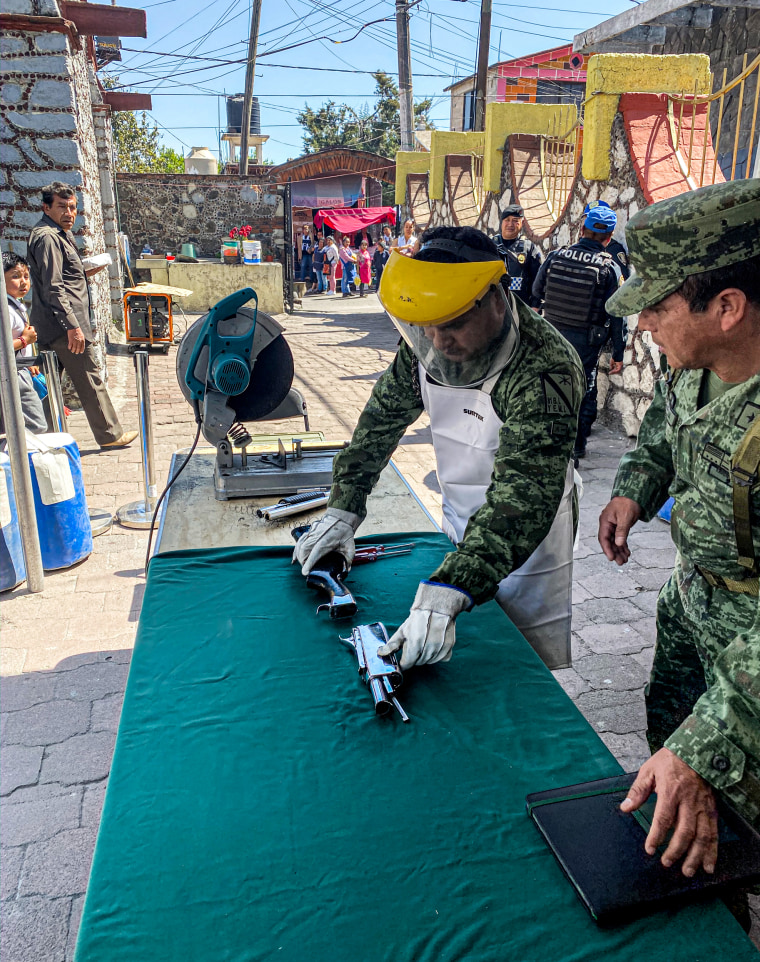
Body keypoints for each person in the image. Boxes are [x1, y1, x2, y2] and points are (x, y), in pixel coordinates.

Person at [294, 226, 584, 671]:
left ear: (495, 298)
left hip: (527, 534)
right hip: (458, 509)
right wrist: (344, 507)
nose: (440, 342)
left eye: (453, 324)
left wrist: (454, 585)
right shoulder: (426, 347)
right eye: (426, 329)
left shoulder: (546, 367)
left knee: (515, 666)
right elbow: (381, 420)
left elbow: (523, 496)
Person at [597, 179, 760, 896]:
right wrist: (634, 489)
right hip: (691, 617)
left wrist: (706, 741)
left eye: (658, 309)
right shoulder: (691, 365)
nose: (646, 329)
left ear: (726, 308)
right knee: (683, 810)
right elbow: (664, 434)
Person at [26, 182, 136, 449]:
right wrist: (72, 326)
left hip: (52, 324)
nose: (69, 213)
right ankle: (110, 436)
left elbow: (57, 277)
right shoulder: (49, 237)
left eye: (73, 207)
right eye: (62, 207)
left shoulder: (56, 234)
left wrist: (83, 273)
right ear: (46, 207)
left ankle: (45, 438)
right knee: (90, 379)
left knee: (49, 386)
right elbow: (54, 287)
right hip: (63, 326)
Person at [532, 202, 624, 462]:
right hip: (586, 342)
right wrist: (618, 352)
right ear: (609, 237)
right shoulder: (609, 267)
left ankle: (547, 440)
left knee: (549, 385)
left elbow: (537, 295)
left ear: (582, 229)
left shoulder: (555, 256)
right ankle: (576, 446)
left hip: (552, 335)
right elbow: (617, 315)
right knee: (583, 390)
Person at [2, 252, 47, 435]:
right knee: (36, 425)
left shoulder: (15, 305)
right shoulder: (4, 310)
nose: (23, 282)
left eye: (26, 276)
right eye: (15, 276)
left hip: (21, 369)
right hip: (11, 374)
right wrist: (24, 341)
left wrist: (28, 362)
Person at [493, 204, 543, 309]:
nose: (510, 224)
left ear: (522, 223)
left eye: (515, 220)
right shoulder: (490, 245)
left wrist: (535, 306)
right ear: (501, 222)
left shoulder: (529, 248)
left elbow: (538, 280)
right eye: (507, 220)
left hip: (520, 309)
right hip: (494, 307)